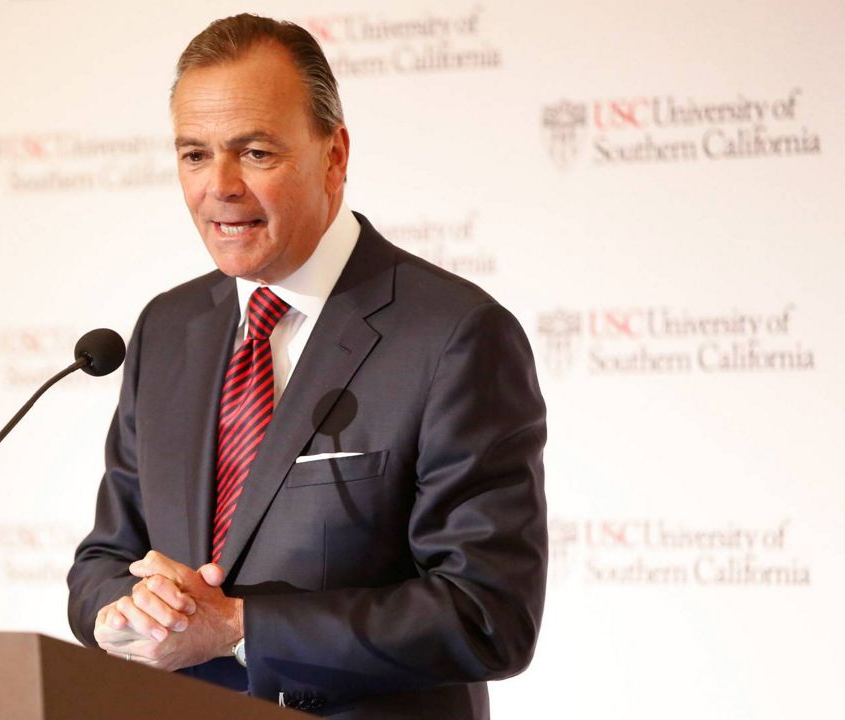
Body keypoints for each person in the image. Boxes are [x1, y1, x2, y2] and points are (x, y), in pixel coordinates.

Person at [66, 13, 547, 719]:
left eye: (255, 152)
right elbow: (103, 562)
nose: (219, 187)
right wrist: (126, 610)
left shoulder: (453, 336)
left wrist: (237, 629)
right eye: (194, 155)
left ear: (335, 154)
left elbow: (487, 612)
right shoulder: (167, 329)